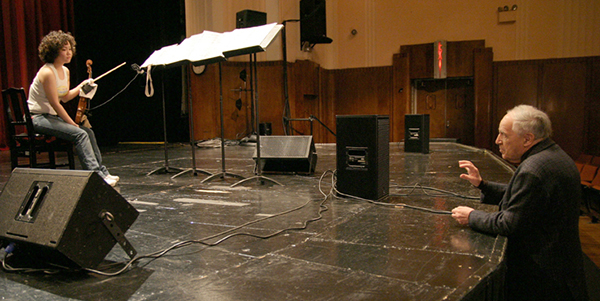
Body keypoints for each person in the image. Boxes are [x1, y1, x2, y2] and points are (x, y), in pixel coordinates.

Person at [451, 105, 588, 300]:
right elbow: (527, 197)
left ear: (527, 139)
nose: (497, 141)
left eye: (504, 135)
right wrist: (482, 185)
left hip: (543, 276)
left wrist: (471, 216)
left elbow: (509, 223)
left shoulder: (533, 169)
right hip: (563, 265)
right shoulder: (551, 156)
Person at [27, 30, 119, 186]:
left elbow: (65, 96)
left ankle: (102, 172)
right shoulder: (47, 72)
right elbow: (56, 103)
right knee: (79, 133)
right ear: (53, 51)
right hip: (38, 118)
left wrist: (82, 86)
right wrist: (72, 123)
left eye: (70, 49)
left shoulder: (65, 71)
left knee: (88, 132)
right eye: (64, 49)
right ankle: (95, 175)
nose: (69, 53)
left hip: (51, 117)